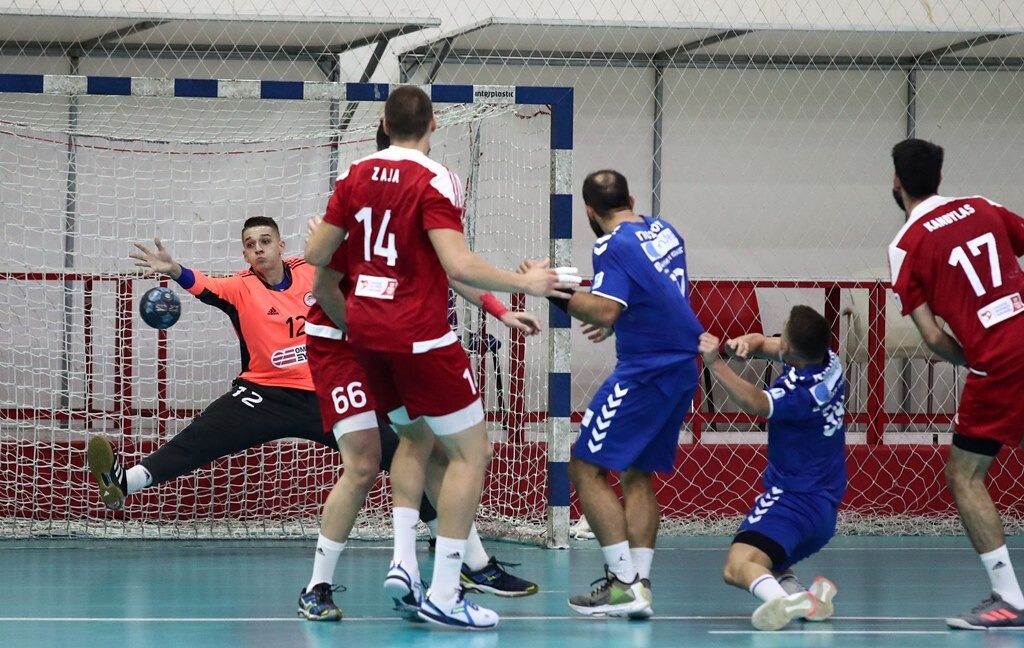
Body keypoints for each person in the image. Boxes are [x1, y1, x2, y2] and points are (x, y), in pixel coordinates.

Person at [83, 216, 537, 621]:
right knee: (202, 437)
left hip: (327, 393)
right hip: (265, 394)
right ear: (244, 254)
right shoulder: (240, 287)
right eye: (249, 244)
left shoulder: (313, 272)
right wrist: (173, 270)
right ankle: (127, 482)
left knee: (403, 456)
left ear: (282, 247)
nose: (258, 249)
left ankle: (465, 558)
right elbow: (201, 284)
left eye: (265, 241)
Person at [305, 85, 574, 630]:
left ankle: (404, 563)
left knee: (413, 439)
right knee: (470, 455)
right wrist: (528, 283)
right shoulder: (436, 179)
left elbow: (315, 256)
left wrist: (498, 309)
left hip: (366, 336)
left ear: (382, 122)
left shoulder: (354, 175)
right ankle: (448, 591)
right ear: (433, 125)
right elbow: (458, 263)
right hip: (420, 338)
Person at [541, 169, 702, 619]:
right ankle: (640, 586)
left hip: (645, 372)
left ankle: (621, 584)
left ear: (589, 212)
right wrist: (617, 318)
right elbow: (656, 293)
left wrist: (557, 292)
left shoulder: (610, 244)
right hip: (680, 367)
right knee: (636, 473)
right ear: (630, 198)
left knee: (584, 467)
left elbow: (608, 305)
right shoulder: (663, 231)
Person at [888, 138, 1024, 630]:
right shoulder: (984, 207)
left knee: (964, 475)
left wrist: (980, 359)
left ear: (897, 182)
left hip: (998, 361)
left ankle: (1009, 598)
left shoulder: (905, 246)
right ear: (941, 179)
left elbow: (930, 336)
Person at [697, 305, 845, 631]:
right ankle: (804, 600)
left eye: (784, 333)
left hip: (792, 502)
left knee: (737, 567)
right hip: (824, 510)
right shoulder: (830, 362)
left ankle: (780, 602)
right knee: (769, 560)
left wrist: (716, 363)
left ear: (789, 349)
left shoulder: (797, 395)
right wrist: (749, 343)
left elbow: (756, 403)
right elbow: (769, 345)